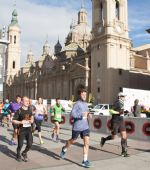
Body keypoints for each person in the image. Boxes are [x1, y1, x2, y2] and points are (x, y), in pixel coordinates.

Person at [60, 88, 92, 168]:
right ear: (80, 95)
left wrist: (88, 114)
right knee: (72, 140)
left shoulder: (85, 104)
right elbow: (72, 114)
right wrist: (81, 115)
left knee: (86, 142)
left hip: (85, 127)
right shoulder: (77, 104)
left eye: (85, 94)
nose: (84, 96)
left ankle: (84, 161)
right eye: (83, 94)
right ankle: (64, 148)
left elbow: (87, 112)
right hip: (77, 127)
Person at [100, 92, 129, 157]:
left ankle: (123, 152)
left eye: (124, 96)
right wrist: (118, 112)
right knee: (113, 137)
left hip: (121, 121)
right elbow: (110, 110)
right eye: (123, 96)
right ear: (119, 97)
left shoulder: (122, 103)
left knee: (124, 136)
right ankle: (104, 139)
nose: (124, 97)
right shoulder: (117, 102)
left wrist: (124, 112)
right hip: (115, 121)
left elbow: (121, 112)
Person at [12, 96, 33, 162]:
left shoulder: (29, 110)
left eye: (28, 101)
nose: (28, 102)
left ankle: (24, 153)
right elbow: (13, 120)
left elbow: (31, 116)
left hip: (29, 130)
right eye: (26, 101)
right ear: (22, 102)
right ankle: (18, 155)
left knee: (30, 144)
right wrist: (21, 122)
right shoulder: (19, 110)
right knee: (20, 145)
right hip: (21, 130)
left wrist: (32, 120)